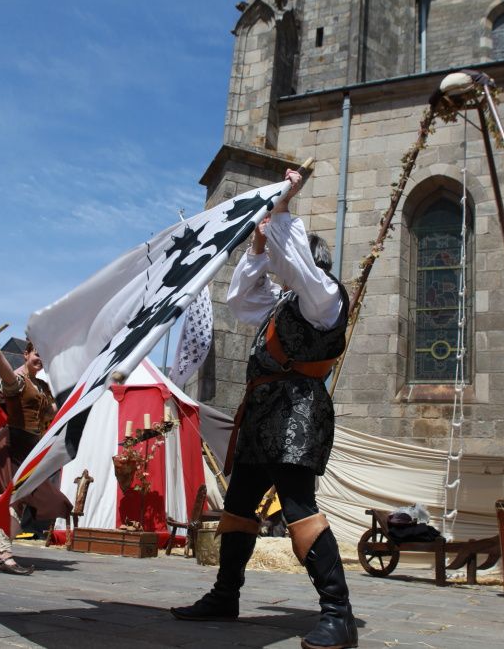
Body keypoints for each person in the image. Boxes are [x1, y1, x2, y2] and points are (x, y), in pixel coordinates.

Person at [171, 169, 357, 649]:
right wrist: (256, 247)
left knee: (297, 507)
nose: (275, 263)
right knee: (238, 505)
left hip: (298, 412)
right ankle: (225, 594)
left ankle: (338, 614)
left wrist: (281, 205)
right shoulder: (284, 303)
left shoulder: (325, 297)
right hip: (262, 413)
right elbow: (240, 299)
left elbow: (295, 265)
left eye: (278, 256)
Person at [0, 339, 72, 574]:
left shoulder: (43, 387)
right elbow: (7, 377)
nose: (40, 360)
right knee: (12, 499)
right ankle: (4, 556)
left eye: (44, 356)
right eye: (37, 354)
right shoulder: (17, 380)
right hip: (11, 446)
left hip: (30, 449)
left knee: (21, 498)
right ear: (26, 354)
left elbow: (52, 414)